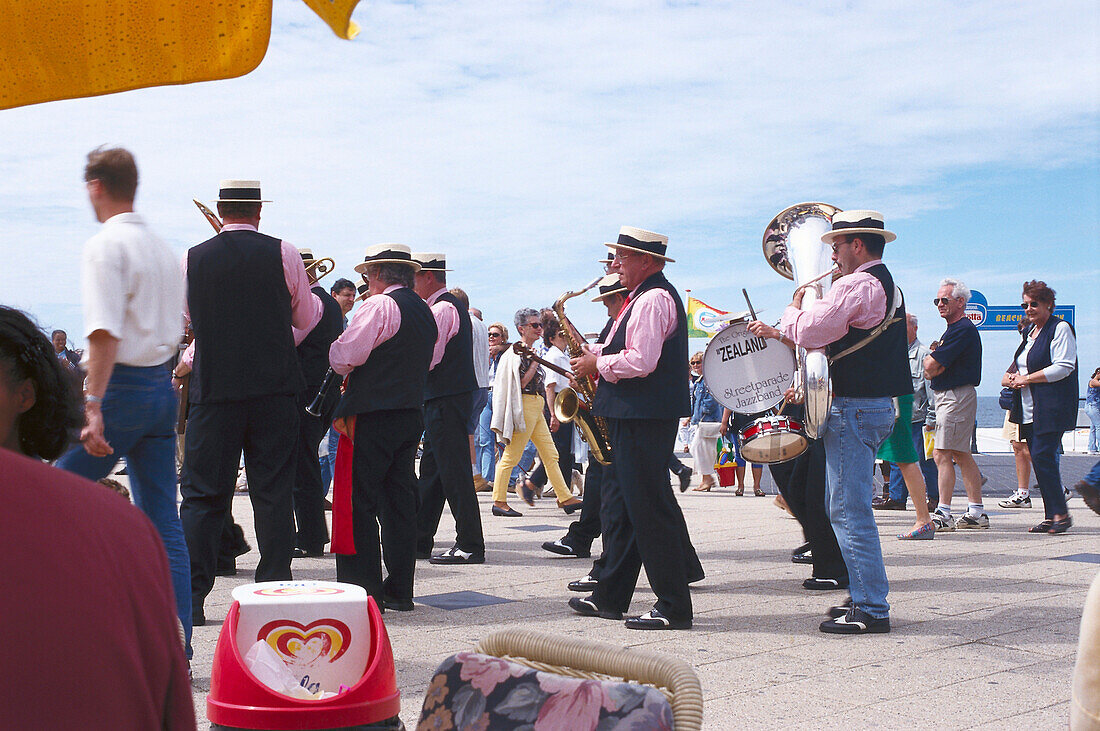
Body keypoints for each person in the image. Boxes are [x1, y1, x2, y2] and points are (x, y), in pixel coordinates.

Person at [55, 147, 194, 657]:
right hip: (161, 387)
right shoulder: (162, 248)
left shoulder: (105, 245)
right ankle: (177, 643)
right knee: (164, 521)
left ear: (95, 185)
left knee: (45, 498)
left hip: (123, 389)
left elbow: (103, 333)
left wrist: (93, 403)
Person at [178, 179, 323, 625]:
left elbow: (183, 317)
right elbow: (306, 316)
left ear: (221, 213)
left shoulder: (192, 256)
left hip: (215, 390)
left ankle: (193, 599)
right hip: (274, 389)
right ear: (259, 212)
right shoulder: (284, 251)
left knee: (203, 497)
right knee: (273, 492)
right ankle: (273, 591)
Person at [777, 210, 911, 635]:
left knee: (849, 509)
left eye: (836, 245)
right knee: (844, 506)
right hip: (870, 405)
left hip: (854, 407)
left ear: (857, 245)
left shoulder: (858, 284)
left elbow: (812, 331)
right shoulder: (888, 285)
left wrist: (792, 308)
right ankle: (860, 593)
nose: (831, 253)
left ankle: (871, 606)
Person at [569, 226, 697, 630]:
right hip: (634, 413)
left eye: (622, 257)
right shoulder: (642, 297)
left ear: (647, 261)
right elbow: (622, 350)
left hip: (643, 415)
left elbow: (641, 360)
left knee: (648, 510)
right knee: (622, 507)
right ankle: (610, 595)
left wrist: (597, 365)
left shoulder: (653, 298)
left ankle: (674, 605)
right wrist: (591, 353)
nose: (615, 264)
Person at [328, 244, 436, 610]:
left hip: (372, 412)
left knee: (358, 502)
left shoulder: (378, 305)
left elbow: (346, 356)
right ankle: (400, 587)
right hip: (409, 410)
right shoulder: (425, 310)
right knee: (399, 501)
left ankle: (363, 589)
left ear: (376, 275)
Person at [412, 253, 487, 565]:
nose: (410, 283)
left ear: (429, 277)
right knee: (432, 472)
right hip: (444, 397)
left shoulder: (442, 309)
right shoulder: (445, 307)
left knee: (454, 472)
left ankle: (470, 543)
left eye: (414, 277)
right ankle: (418, 539)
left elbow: (431, 356)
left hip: (446, 397)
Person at [489, 309, 583, 516]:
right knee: (511, 456)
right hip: (525, 405)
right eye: (534, 325)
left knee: (551, 454)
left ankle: (565, 497)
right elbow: (521, 383)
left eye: (540, 324)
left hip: (535, 406)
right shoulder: (519, 352)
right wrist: (534, 362)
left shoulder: (527, 351)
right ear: (521, 328)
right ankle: (499, 500)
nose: (539, 328)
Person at [1003, 280, 1078, 534]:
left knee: (1044, 456)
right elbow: (1020, 366)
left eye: (1034, 303)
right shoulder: (1029, 333)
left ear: (1049, 304)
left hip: (1052, 407)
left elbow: (1063, 366)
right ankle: (1052, 515)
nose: (1029, 308)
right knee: (1039, 459)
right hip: (1028, 408)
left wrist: (1027, 378)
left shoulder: (1061, 328)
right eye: (1025, 304)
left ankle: (1061, 514)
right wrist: (1014, 378)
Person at [289, 249, 344, 558]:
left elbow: (288, 339)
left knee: (303, 464)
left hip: (309, 393)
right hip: (319, 391)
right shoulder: (328, 302)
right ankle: (311, 534)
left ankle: (310, 537)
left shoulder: (312, 301)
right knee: (305, 461)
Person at [923, 277, 987, 531]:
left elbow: (929, 366)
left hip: (954, 397)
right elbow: (931, 369)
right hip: (951, 396)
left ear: (961, 302)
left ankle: (944, 512)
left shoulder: (961, 330)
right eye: (937, 300)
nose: (939, 304)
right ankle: (976, 512)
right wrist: (934, 365)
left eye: (944, 300)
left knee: (942, 453)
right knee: (960, 453)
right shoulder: (955, 330)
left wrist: (934, 363)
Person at [873, 313, 938, 515]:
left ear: (915, 328)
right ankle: (896, 498)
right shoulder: (893, 353)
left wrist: (932, 419)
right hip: (897, 417)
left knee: (924, 460)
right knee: (895, 459)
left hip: (918, 419)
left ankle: (934, 497)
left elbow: (931, 390)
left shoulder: (924, 355)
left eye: (904, 326)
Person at [0, 307, 83, 460]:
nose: (60, 342)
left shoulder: (70, 357)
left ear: (25, 396)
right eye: (58, 339)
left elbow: (79, 373)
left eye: (62, 339)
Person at [523, 319, 582, 501]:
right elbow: (550, 387)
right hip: (557, 404)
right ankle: (532, 484)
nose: (565, 338)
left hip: (564, 403)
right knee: (558, 451)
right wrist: (553, 415)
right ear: (552, 338)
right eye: (561, 335)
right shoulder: (555, 357)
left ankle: (562, 494)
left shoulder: (562, 355)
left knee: (563, 452)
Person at [319, 277, 357, 501]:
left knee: (331, 444)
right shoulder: (331, 320)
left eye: (353, 296)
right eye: (347, 295)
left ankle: (323, 493)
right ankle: (340, 495)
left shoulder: (347, 323)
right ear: (334, 295)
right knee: (330, 446)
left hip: (339, 389)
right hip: (328, 387)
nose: (352, 300)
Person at [688, 352, 723, 492]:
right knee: (704, 451)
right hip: (701, 420)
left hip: (708, 420)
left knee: (697, 448)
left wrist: (701, 413)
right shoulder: (700, 381)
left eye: (698, 362)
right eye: (693, 363)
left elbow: (711, 401)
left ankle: (708, 478)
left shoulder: (709, 379)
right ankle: (705, 480)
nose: (696, 365)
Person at [1086, 367, 1100, 455]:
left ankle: (1091, 448)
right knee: (1099, 426)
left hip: (1093, 407)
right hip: (1092, 406)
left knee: (1094, 428)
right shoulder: (1093, 381)